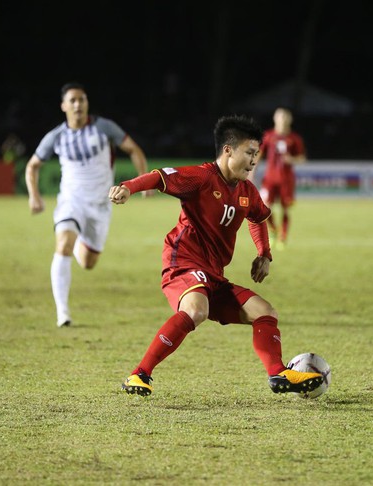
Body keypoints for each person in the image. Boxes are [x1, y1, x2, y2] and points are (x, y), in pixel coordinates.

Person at [108, 114, 323, 397]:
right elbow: (160, 177)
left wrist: (265, 254)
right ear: (228, 150)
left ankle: (277, 373)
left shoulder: (246, 190)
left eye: (257, 154)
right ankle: (140, 374)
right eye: (249, 153)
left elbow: (258, 218)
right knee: (196, 311)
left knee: (265, 312)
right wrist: (128, 187)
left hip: (213, 273)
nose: (254, 160)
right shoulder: (202, 177)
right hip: (183, 261)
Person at [25, 81, 151, 328]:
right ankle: (63, 312)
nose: (77, 104)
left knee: (87, 263)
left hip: (101, 206)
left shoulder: (104, 128)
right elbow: (32, 166)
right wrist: (34, 195)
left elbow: (134, 150)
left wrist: (142, 183)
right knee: (63, 245)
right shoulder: (56, 137)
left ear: (87, 103)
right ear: (63, 106)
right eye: (72, 100)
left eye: (81, 99)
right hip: (71, 201)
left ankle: (76, 238)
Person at [251, 107, 306, 249]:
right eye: (280, 117)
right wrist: (251, 172)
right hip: (269, 179)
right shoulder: (268, 136)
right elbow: (258, 155)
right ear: (275, 119)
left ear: (290, 120)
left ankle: (283, 237)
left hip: (286, 180)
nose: (283, 120)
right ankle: (273, 230)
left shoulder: (294, 138)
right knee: (265, 206)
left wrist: (291, 159)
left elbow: (301, 158)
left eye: (285, 117)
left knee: (285, 209)